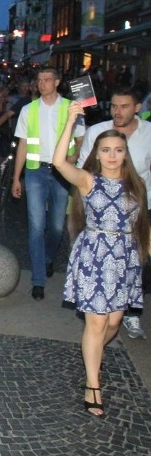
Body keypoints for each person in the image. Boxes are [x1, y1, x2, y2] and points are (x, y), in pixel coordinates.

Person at [55, 101, 148, 417]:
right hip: (94, 255)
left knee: (113, 321)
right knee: (96, 323)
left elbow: (141, 224)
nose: (111, 155)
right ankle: (92, 383)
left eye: (118, 150)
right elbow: (58, 162)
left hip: (124, 258)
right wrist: (70, 121)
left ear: (125, 153)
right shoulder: (87, 180)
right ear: (96, 153)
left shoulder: (137, 185)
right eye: (105, 150)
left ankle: (92, 353)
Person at [77, 87, 151, 340]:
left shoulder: (149, 134)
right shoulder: (97, 132)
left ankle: (128, 310)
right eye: (114, 106)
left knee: (135, 263)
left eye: (124, 106)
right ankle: (96, 335)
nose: (118, 111)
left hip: (140, 207)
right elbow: (83, 166)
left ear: (137, 108)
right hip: (102, 210)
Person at [12, 67, 85, 300]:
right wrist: (17, 177)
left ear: (57, 82)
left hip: (62, 173)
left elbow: (81, 137)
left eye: (46, 80)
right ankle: (38, 280)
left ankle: (48, 258)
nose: (42, 84)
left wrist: (73, 159)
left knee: (56, 226)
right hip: (35, 172)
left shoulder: (70, 107)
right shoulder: (28, 110)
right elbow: (22, 144)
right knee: (36, 226)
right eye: (39, 80)